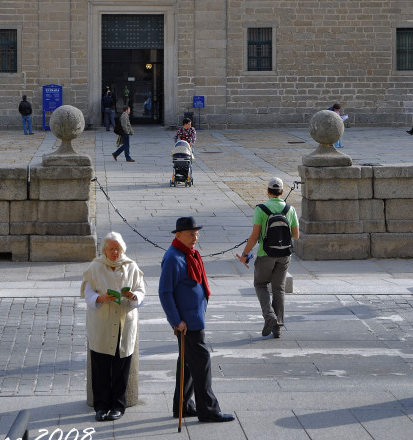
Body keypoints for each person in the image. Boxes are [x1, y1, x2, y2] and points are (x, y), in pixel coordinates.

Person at [158, 216, 234, 424]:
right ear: (178, 235)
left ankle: (182, 405)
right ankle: (208, 410)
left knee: (188, 365)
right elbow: (165, 293)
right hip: (187, 323)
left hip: (194, 318)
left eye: (196, 233)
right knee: (201, 364)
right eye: (191, 234)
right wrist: (176, 321)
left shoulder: (188, 254)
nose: (195, 237)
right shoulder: (174, 258)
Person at [81, 231, 145, 422]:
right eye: (111, 249)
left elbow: (141, 290)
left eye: (117, 249)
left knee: (121, 366)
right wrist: (100, 298)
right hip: (102, 323)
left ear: (122, 249)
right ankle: (101, 406)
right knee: (100, 366)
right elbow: (87, 291)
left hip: (124, 323)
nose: (115, 253)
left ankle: (118, 405)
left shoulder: (131, 266)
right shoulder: (95, 266)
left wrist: (133, 296)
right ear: (105, 250)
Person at [237, 177, 299, 339]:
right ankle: (277, 328)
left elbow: (254, 236)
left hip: (266, 255)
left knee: (260, 284)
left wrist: (244, 255)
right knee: (279, 289)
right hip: (284, 255)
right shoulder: (290, 209)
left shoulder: (261, 209)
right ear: (282, 192)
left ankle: (270, 316)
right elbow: (296, 235)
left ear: (267, 191)